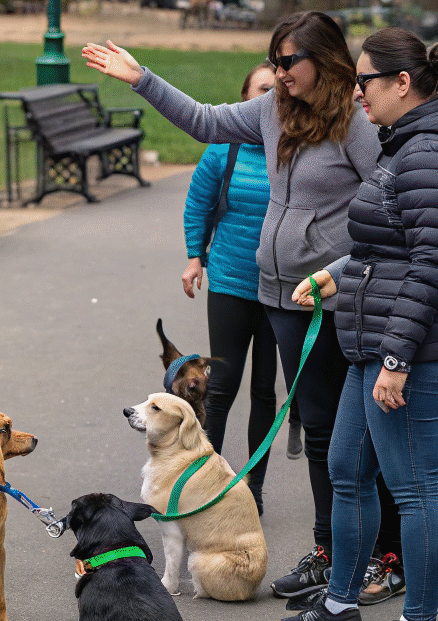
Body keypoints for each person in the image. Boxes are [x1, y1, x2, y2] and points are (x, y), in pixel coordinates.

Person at [82, 11, 403, 599]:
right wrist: (141, 78)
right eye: (273, 61)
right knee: (318, 429)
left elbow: (382, 217)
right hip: (281, 297)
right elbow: (204, 121)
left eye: (288, 63)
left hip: (333, 303)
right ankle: (329, 548)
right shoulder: (273, 111)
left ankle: (380, 552)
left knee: (342, 433)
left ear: (324, 62)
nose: (278, 73)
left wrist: (333, 274)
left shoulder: (356, 127)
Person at [283, 28, 438, 621]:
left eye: (366, 80)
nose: (357, 91)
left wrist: (396, 359)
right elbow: (380, 248)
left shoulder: (431, 154)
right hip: (374, 338)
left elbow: (430, 266)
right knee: (348, 471)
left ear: (403, 84)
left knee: (415, 487)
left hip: (413, 349)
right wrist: (334, 274)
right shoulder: (404, 146)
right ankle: (342, 603)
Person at [180, 61, 277, 515]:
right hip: (231, 284)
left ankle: (253, 489)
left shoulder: (296, 146)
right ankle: (207, 485)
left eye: (277, 90)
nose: (269, 99)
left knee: (265, 390)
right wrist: (194, 256)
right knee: (221, 388)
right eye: (261, 90)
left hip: (284, 291)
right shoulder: (225, 148)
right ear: (244, 99)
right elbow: (198, 202)